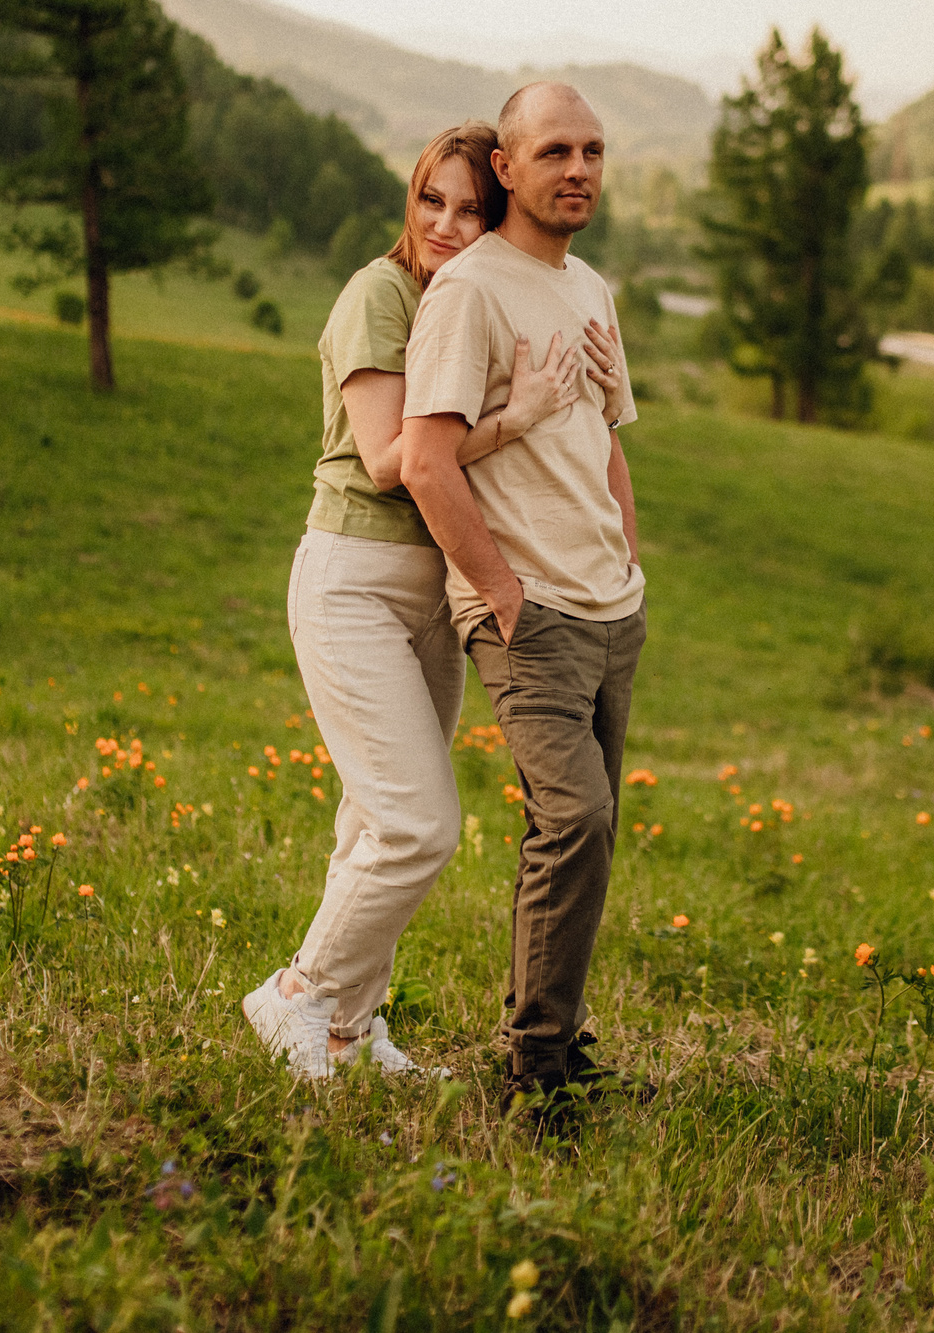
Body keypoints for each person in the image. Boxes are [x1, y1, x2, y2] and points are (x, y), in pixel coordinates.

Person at [244, 121, 625, 1079]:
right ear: (409, 203)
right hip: (355, 580)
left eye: (471, 209)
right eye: (432, 202)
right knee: (420, 823)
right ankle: (296, 992)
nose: (450, 225)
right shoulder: (382, 292)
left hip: (435, 593)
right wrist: (514, 417)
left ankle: (349, 1028)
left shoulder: (469, 298)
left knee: (369, 823)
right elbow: (390, 460)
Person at [399, 82, 646, 1128]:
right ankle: (536, 1073)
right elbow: (424, 457)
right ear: (507, 165)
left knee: (590, 827)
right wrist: (499, 591)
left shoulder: (589, 284)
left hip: (611, 607)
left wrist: (631, 562)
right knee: (572, 814)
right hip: (531, 609)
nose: (578, 168)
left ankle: (558, 1040)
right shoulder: (472, 293)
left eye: (591, 150)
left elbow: (607, 436)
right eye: (555, 150)